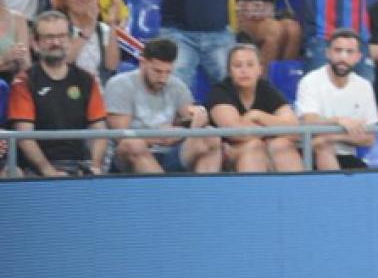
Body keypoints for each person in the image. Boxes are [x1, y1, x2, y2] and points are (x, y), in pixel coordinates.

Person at [7, 11, 108, 177]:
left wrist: (95, 167)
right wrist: (49, 172)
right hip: (36, 169)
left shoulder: (86, 79)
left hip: (80, 164)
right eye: (48, 37)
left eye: (61, 36)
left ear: (69, 39)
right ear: (36, 43)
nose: (56, 42)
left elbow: (100, 131)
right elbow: (25, 137)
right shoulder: (23, 82)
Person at [105, 37, 223, 173]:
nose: (163, 78)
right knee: (132, 144)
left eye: (168, 72)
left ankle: (203, 193)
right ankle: (164, 192)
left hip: (169, 153)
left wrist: (197, 119)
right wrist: (158, 137)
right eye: (157, 71)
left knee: (210, 136)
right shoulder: (120, 85)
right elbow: (121, 135)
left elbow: (188, 117)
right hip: (132, 155)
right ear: (143, 63)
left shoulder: (177, 86)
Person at [207, 43, 305, 172]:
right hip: (228, 155)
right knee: (254, 146)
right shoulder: (220, 91)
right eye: (237, 65)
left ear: (260, 69)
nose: (244, 70)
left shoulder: (266, 89)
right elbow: (236, 133)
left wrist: (257, 115)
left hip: (264, 150)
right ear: (229, 71)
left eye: (250, 65)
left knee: (281, 145)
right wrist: (270, 131)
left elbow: (294, 130)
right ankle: (253, 192)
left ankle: (297, 191)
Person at [295, 29, 378, 170]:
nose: (343, 57)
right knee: (323, 147)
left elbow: (369, 138)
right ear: (328, 53)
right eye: (338, 50)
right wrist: (338, 121)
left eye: (349, 52)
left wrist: (331, 137)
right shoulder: (310, 81)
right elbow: (308, 122)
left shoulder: (364, 86)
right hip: (311, 154)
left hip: (347, 156)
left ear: (358, 57)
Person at [53, 0, 119, 81]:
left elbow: (112, 65)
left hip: (98, 91)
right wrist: (88, 28)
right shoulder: (56, 26)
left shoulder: (103, 29)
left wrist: (112, 24)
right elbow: (63, 60)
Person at [0, 0, 32, 82]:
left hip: (11, 85)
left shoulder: (18, 18)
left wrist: (19, 57)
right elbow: (8, 60)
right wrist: (5, 58)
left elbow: (26, 65)